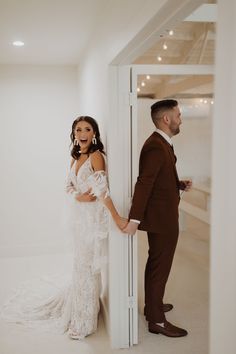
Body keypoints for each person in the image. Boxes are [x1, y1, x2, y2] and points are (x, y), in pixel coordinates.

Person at [1, 115, 127, 340]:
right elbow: (68, 185)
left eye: (87, 129)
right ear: (74, 134)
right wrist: (78, 196)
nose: (82, 133)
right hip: (79, 219)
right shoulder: (76, 156)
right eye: (78, 129)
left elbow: (102, 191)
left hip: (91, 221)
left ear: (94, 133)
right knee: (80, 265)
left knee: (88, 267)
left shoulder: (97, 157)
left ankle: (85, 320)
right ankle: (81, 310)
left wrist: (117, 217)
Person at [123, 99, 192, 338]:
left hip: (164, 216)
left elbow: (160, 177)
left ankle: (152, 305)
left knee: (156, 265)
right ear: (166, 119)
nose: (180, 119)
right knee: (159, 268)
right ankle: (156, 321)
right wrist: (134, 220)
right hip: (162, 220)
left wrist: (178, 184)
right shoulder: (155, 145)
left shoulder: (162, 143)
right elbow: (145, 183)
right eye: (178, 115)